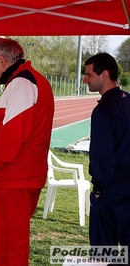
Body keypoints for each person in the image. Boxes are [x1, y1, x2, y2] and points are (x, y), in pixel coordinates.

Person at [0, 36, 54, 265]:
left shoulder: (22, 83)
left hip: (14, 179)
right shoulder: (27, 80)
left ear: (2, 60)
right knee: (11, 246)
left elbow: (12, 138)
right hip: (19, 178)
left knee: (10, 249)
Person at [83, 53, 130, 263]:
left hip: (112, 192)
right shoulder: (128, 101)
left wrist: (100, 189)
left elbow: (101, 155)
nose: (85, 79)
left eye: (88, 75)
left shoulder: (103, 110)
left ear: (104, 75)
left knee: (104, 254)